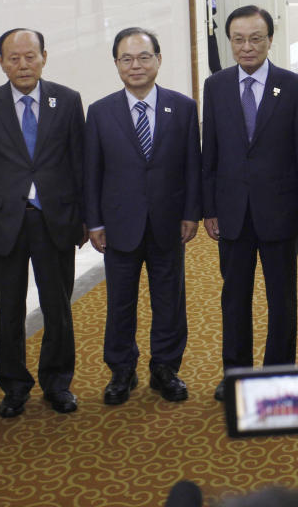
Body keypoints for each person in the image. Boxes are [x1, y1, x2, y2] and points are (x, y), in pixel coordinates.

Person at [0, 29, 86, 417]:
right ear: (1, 63)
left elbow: (79, 163)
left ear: (44, 57)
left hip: (55, 219)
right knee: (9, 308)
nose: (22, 65)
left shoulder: (66, 100)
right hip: (5, 222)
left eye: (29, 56)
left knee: (57, 307)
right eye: (13, 58)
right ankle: (14, 386)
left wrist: (84, 217)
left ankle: (57, 383)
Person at [84, 27, 201, 404]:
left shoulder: (182, 107)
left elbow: (192, 167)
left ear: (159, 60)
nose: (136, 65)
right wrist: (95, 222)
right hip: (119, 224)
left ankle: (165, 368)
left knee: (169, 299)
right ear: (116, 64)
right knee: (120, 301)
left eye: (144, 57)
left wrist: (191, 213)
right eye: (127, 59)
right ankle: (122, 370)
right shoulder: (100, 112)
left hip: (168, 221)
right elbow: (93, 172)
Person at [201, 6, 298, 401]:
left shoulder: (296, 87)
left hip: (281, 211)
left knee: (282, 297)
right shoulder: (215, 86)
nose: (247, 47)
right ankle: (236, 374)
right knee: (234, 297)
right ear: (230, 42)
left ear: (270, 39)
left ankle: (278, 375)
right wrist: (209, 207)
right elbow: (209, 151)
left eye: (256, 38)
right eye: (238, 39)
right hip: (231, 210)